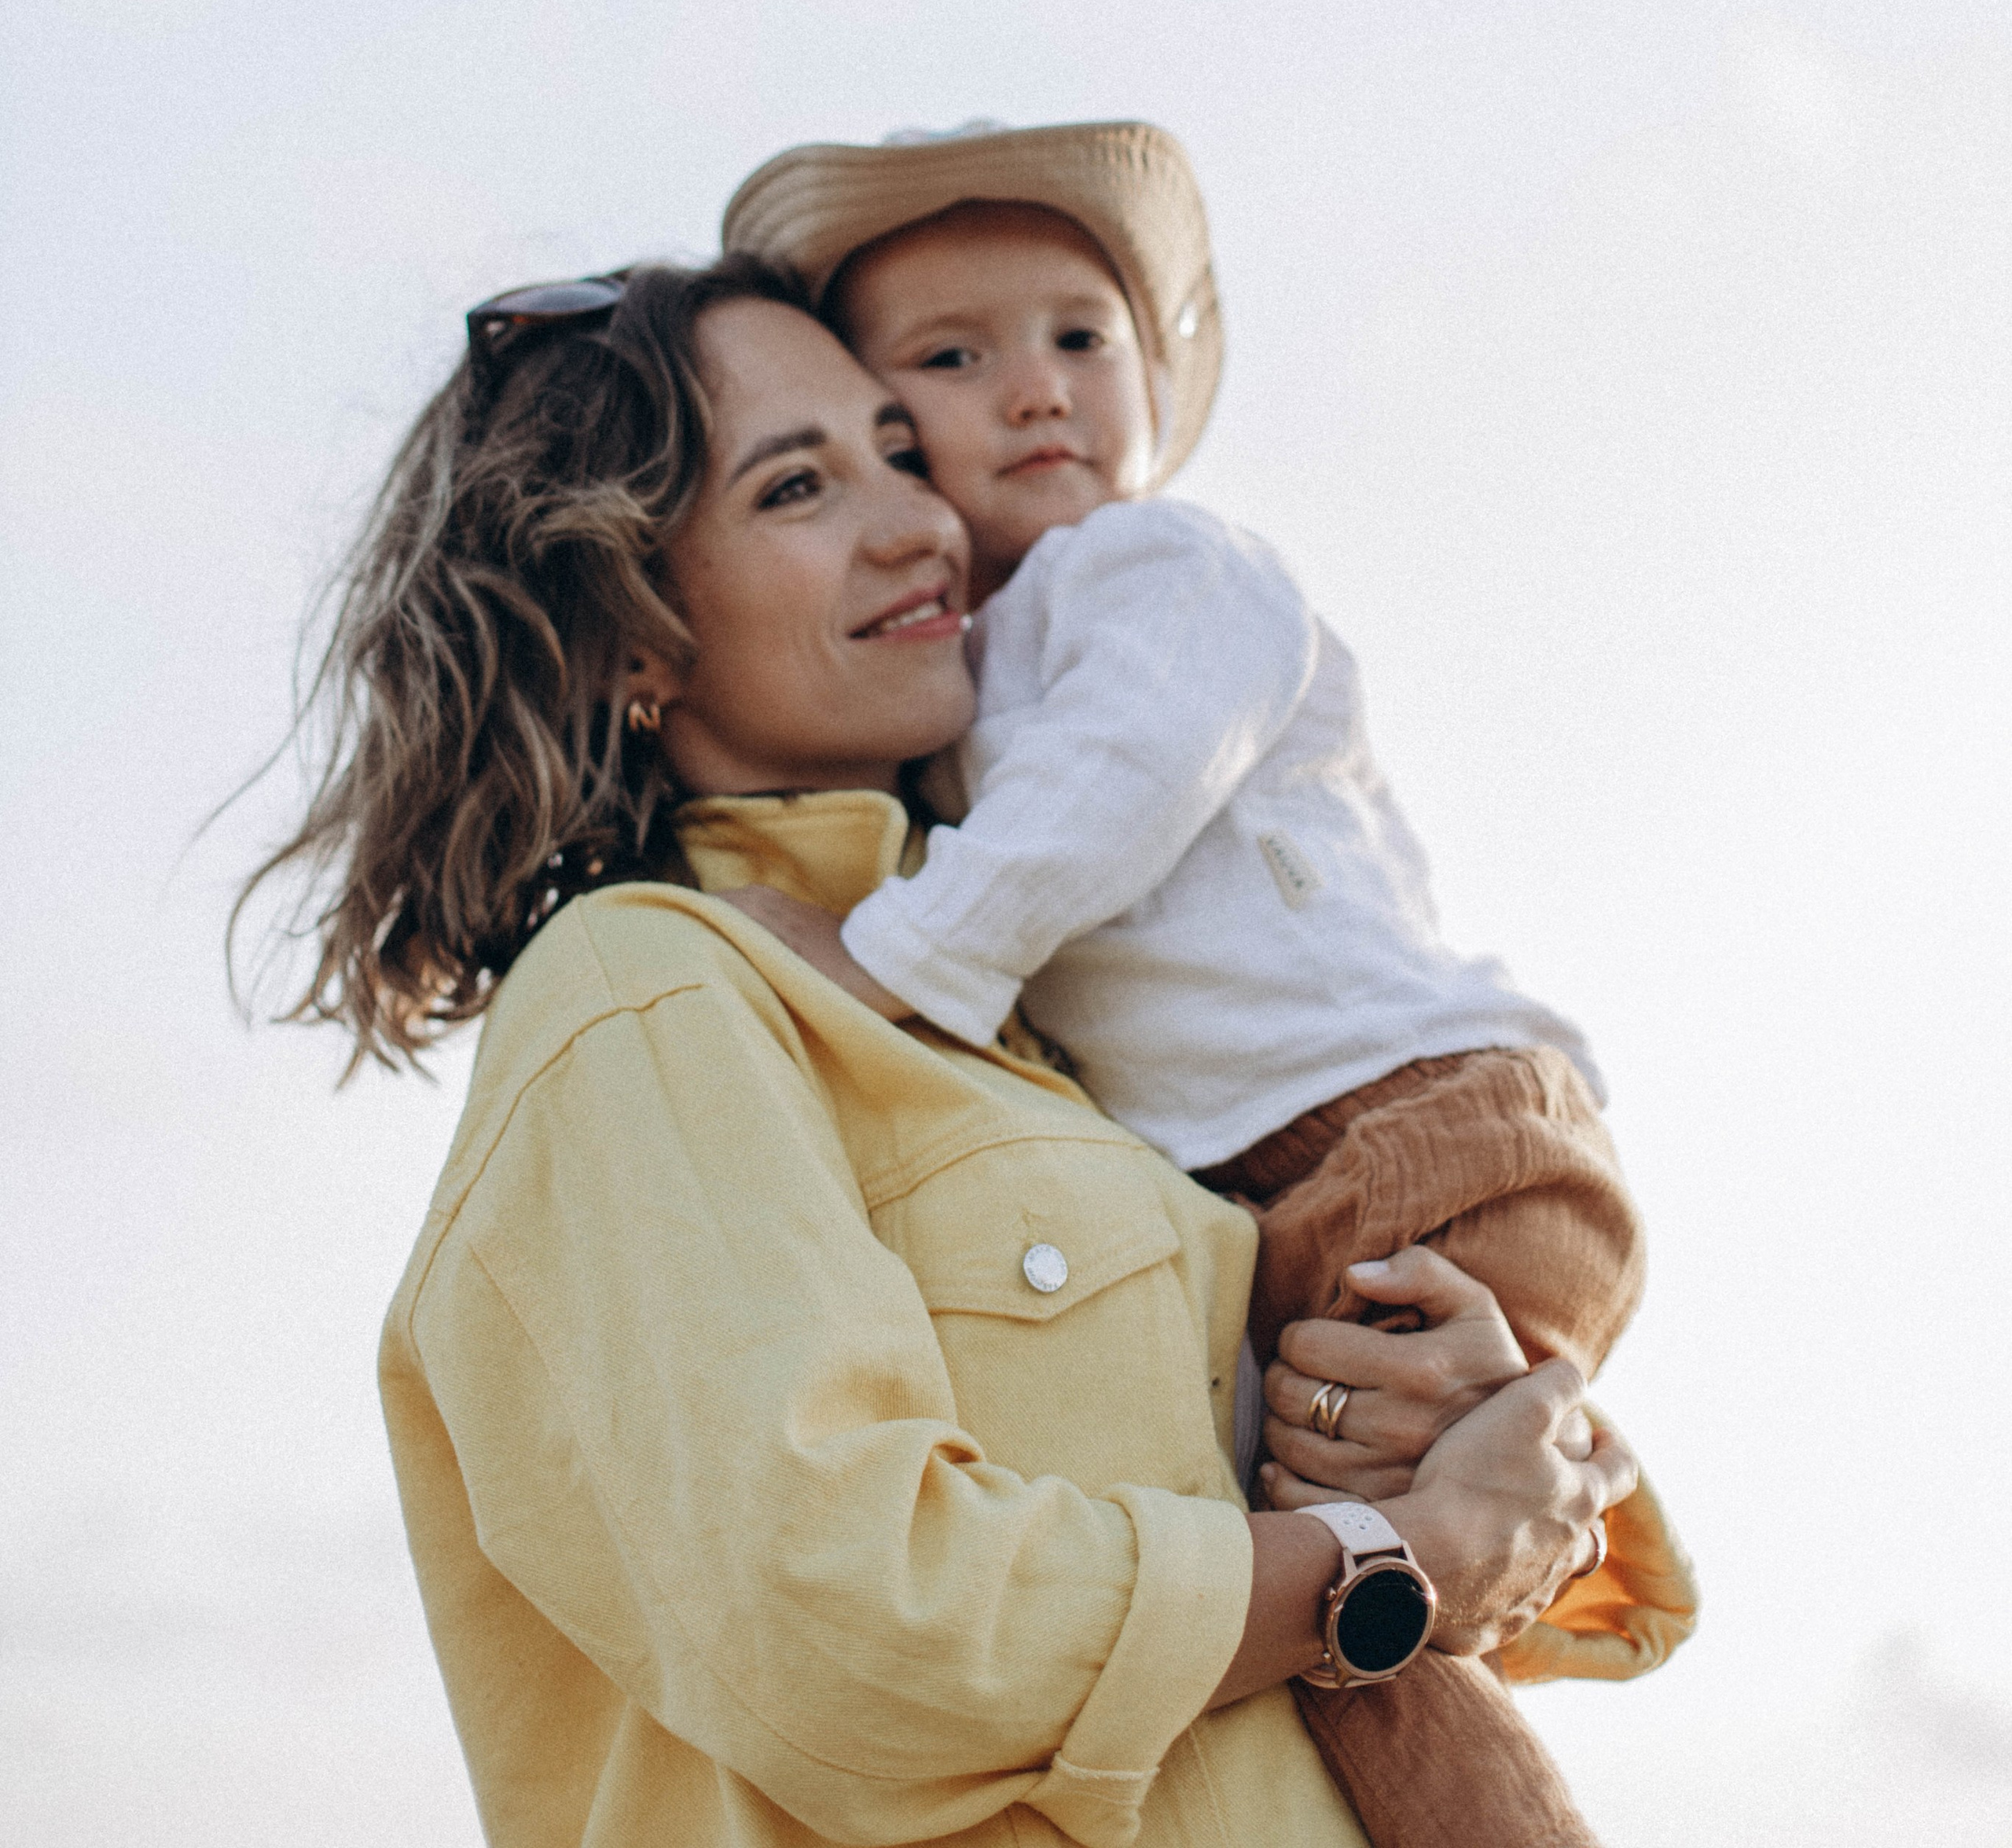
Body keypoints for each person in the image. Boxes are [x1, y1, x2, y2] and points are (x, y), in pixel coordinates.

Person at [237, 254, 1636, 1848]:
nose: (918, 524)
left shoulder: (1048, 1026)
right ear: (628, 638)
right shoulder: (646, 997)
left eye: (902, 453)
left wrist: (1476, 1422)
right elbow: (849, 1618)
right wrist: (1391, 1569)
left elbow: (1357, 1522)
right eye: (795, 487)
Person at [721, 122, 1698, 1848]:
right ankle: (1541, 1560)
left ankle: (1546, 1520)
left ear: (1154, 384)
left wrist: (893, 966)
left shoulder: (1160, 574)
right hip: (1307, 1167)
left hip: (1410, 1126)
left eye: (1080, 341)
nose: (1034, 391)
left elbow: (1126, 775)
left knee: (1348, 1587)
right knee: (1355, 1631)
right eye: (954, 359)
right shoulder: (960, 679)